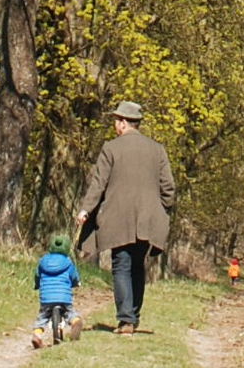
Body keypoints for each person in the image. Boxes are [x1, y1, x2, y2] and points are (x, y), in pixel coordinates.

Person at [75, 99, 175, 335]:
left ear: (122, 123)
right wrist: (161, 209)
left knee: (121, 266)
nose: (115, 125)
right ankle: (133, 316)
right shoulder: (157, 149)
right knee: (137, 267)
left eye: (116, 121)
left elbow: (98, 184)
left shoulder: (111, 148)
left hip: (117, 217)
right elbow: (168, 188)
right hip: (147, 219)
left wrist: (85, 209)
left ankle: (126, 319)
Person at [32, 233, 80, 349]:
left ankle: (37, 335)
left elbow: (37, 275)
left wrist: (37, 285)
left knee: (43, 317)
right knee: (69, 312)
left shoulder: (43, 261)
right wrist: (76, 283)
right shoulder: (68, 262)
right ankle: (75, 321)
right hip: (64, 297)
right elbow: (74, 277)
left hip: (47, 297)